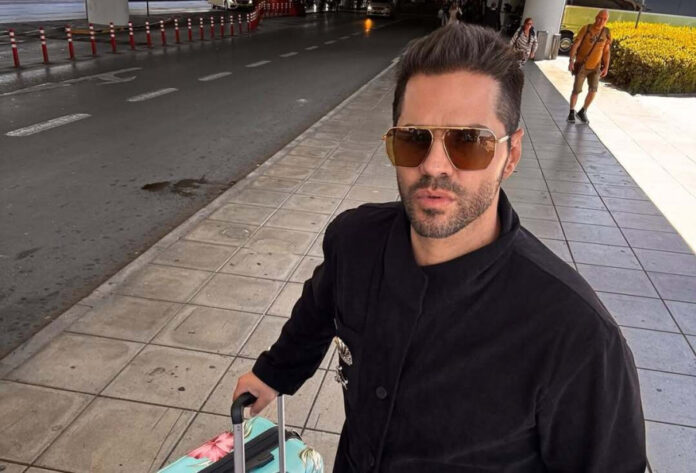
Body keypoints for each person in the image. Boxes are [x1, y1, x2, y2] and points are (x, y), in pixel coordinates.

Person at [234, 23, 646, 472]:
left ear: (511, 155)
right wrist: (274, 373)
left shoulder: (576, 336)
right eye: (413, 138)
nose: (434, 165)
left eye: (469, 142)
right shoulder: (354, 243)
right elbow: (319, 310)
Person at [567, 9, 612, 124]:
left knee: (593, 90)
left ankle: (583, 111)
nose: (601, 21)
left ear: (607, 21)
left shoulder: (606, 32)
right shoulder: (586, 28)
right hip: (582, 65)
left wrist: (606, 67)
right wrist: (571, 61)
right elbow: (576, 45)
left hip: (596, 67)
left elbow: (606, 51)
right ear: (596, 17)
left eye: (604, 19)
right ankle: (571, 112)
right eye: (600, 18)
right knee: (576, 90)